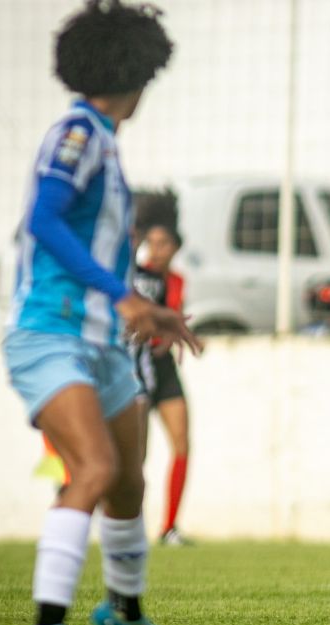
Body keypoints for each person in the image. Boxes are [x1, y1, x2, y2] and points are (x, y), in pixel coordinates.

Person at [3, 1, 199, 625]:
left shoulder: (106, 146)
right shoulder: (78, 135)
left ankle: (124, 611)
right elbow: (45, 220)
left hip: (103, 342)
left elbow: (99, 246)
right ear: (134, 74)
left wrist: (147, 308)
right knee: (93, 468)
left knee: (129, 481)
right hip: (50, 334)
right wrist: (123, 296)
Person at [128, 190, 194, 546]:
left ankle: (169, 527)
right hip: (135, 368)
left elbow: (173, 317)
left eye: (163, 243)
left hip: (163, 367)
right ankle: (130, 524)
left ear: (175, 247)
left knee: (182, 442)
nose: (155, 250)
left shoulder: (176, 281)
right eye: (151, 243)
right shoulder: (136, 277)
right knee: (138, 455)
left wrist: (173, 334)